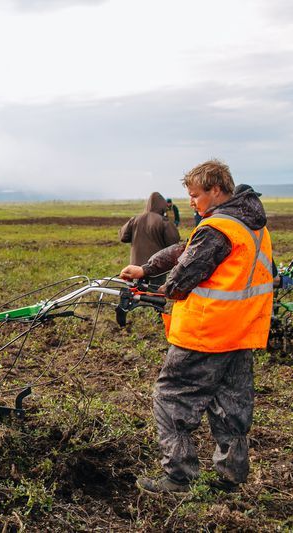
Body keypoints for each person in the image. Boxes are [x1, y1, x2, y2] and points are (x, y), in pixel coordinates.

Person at [119, 160, 272, 495]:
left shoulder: (217, 228)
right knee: (231, 405)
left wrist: (159, 290)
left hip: (207, 333)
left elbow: (183, 276)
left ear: (216, 189)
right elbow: (186, 248)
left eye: (196, 195)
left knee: (170, 397)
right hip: (241, 332)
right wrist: (146, 269)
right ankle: (231, 478)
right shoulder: (249, 224)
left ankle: (178, 476)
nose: (191, 201)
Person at [119, 192, 180, 268]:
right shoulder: (164, 222)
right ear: (163, 206)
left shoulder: (135, 219)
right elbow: (173, 242)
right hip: (156, 266)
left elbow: (123, 237)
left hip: (135, 266)